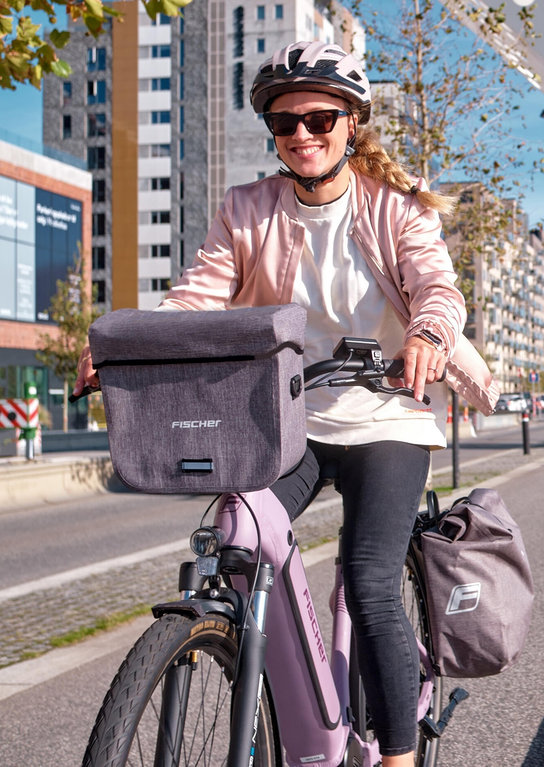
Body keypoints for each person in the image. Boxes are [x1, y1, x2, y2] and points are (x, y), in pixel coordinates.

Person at [75, 41, 498, 767]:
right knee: (238, 539)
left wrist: (428, 331)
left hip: (386, 413)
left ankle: (395, 756)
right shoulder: (246, 210)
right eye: (285, 122)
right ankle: (275, 701)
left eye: (320, 118)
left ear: (353, 123)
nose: (302, 134)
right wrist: (128, 342)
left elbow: (436, 285)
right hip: (287, 417)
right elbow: (195, 300)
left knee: (368, 580)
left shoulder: (396, 207)